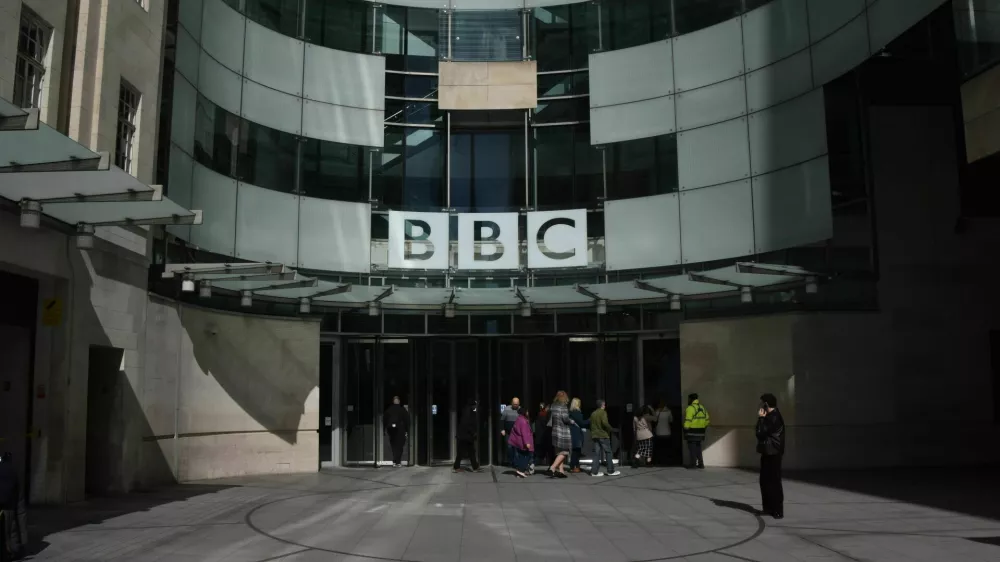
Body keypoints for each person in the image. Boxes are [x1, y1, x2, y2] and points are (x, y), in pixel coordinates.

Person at [756, 393, 786, 519]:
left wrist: (761, 418)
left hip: (773, 452)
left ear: (767, 404)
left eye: (763, 403)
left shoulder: (773, 417)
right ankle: (768, 507)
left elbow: (761, 433)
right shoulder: (770, 416)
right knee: (765, 480)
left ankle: (777, 509)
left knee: (774, 481)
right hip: (768, 451)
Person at [0, 452, 27, 561]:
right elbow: (21, 509)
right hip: (9, 509)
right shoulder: (14, 472)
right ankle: (11, 551)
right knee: (11, 531)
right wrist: (24, 541)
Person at [546, 391, 576, 478]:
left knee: (559, 452)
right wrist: (572, 421)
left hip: (555, 431)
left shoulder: (553, 406)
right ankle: (552, 468)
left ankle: (561, 471)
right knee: (565, 451)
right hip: (563, 431)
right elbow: (565, 419)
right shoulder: (563, 407)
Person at [588, 399, 620, 477]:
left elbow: (591, 424)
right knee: (608, 452)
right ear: (602, 405)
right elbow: (605, 423)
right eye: (604, 405)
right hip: (603, 435)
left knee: (596, 454)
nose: (605, 406)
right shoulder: (603, 412)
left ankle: (594, 472)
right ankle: (610, 471)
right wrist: (612, 429)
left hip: (595, 435)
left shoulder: (593, 413)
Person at [454, 399, 482, 473]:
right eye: (475, 405)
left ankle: (474, 466)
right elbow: (468, 424)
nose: (475, 406)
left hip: (464, 435)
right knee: (465, 451)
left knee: (470, 451)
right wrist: (473, 432)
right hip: (466, 436)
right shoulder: (469, 412)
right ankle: (457, 467)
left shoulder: (466, 411)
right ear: (472, 405)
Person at [683, 393, 710, 469]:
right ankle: (701, 464)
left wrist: (685, 427)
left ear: (691, 399)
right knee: (698, 448)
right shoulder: (702, 407)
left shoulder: (690, 408)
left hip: (692, 432)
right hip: (701, 432)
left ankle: (693, 464)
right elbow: (707, 420)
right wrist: (703, 426)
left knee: (692, 448)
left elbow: (688, 419)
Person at [382, 396, 409, 467]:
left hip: (391, 430)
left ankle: (394, 461)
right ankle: (398, 462)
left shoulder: (389, 409)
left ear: (393, 401)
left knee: (393, 445)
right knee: (399, 446)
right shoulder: (402, 409)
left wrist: (384, 429)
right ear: (399, 401)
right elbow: (407, 420)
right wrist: (407, 430)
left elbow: (384, 420)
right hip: (400, 429)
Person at [507, 408, 534, 478]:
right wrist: (527, 443)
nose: (528, 412)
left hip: (519, 442)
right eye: (527, 411)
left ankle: (519, 471)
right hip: (523, 442)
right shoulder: (523, 421)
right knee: (526, 456)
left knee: (521, 456)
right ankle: (520, 470)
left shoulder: (519, 419)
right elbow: (524, 433)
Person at [567, 398, 590, 473]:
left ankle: (575, 466)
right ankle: (574, 466)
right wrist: (590, 420)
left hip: (573, 433)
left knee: (575, 451)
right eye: (579, 403)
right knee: (576, 451)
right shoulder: (576, 412)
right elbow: (582, 423)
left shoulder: (571, 412)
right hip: (576, 434)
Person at [499, 397, 521, 467]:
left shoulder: (520, 409)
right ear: (511, 403)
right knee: (509, 447)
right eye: (514, 404)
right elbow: (502, 420)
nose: (515, 406)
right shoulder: (507, 409)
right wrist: (502, 429)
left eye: (517, 404)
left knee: (517, 448)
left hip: (517, 433)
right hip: (508, 432)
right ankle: (510, 461)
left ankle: (516, 462)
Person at [653, 401, 674, 466]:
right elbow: (671, 420)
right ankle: (666, 461)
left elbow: (654, 420)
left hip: (658, 432)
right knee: (666, 448)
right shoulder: (668, 411)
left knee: (659, 448)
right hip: (667, 432)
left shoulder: (656, 412)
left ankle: (659, 461)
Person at [534, 402, 550, 469]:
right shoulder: (543, 415)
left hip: (539, 436)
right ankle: (534, 463)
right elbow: (545, 426)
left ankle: (535, 463)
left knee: (539, 452)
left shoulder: (539, 415)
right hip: (542, 437)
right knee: (541, 452)